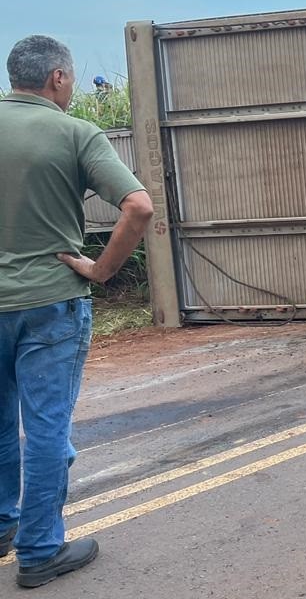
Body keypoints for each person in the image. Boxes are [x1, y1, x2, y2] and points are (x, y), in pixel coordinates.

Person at [1, 36, 153, 587]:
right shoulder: (73, 132)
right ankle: (40, 551)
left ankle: (2, 526)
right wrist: (101, 270)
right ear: (59, 79)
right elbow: (138, 206)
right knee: (45, 428)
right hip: (49, 302)